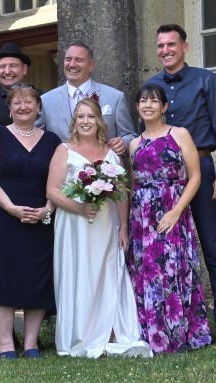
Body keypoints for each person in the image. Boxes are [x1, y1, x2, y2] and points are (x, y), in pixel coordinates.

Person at [46, 98, 151, 358]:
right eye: (81, 116)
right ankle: (81, 332)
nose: (85, 121)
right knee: (80, 272)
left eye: (91, 116)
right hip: (75, 225)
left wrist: (123, 227)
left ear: (99, 121)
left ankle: (112, 330)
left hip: (106, 223)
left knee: (108, 271)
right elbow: (52, 191)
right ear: (74, 122)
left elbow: (122, 193)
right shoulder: (64, 150)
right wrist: (79, 208)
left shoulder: (111, 153)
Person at [146, 24, 216, 347]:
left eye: (171, 44)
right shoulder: (151, 86)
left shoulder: (206, 80)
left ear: (184, 47)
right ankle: (171, 327)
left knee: (213, 250)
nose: (165, 50)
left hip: (202, 171)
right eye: (161, 45)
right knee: (163, 253)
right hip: (162, 179)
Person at [0, 84, 61, 359]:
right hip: (3, 215)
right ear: (10, 108)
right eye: (17, 102)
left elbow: (59, 181)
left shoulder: (52, 140)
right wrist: (11, 208)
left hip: (40, 217)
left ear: (38, 107)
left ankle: (31, 343)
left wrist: (47, 209)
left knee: (36, 276)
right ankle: (5, 344)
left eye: (29, 102)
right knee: (3, 275)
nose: (23, 107)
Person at [128, 83, 212, 353]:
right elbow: (134, 184)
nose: (148, 105)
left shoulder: (180, 134)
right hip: (142, 217)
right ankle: (153, 334)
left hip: (173, 209)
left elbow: (195, 177)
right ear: (137, 107)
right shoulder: (134, 144)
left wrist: (176, 211)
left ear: (164, 107)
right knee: (149, 272)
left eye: (154, 101)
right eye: (143, 101)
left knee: (175, 268)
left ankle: (179, 332)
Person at [37, 41, 136, 156]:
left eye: (78, 60)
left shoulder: (115, 97)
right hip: (61, 165)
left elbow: (130, 136)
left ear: (91, 65)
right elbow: (35, 138)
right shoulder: (45, 101)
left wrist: (123, 143)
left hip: (102, 164)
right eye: (68, 59)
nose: (72, 64)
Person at [0, 42, 42, 126]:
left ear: (24, 69)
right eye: (2, 66)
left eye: (13, 66)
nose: (7, 71)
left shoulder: (42, 97)